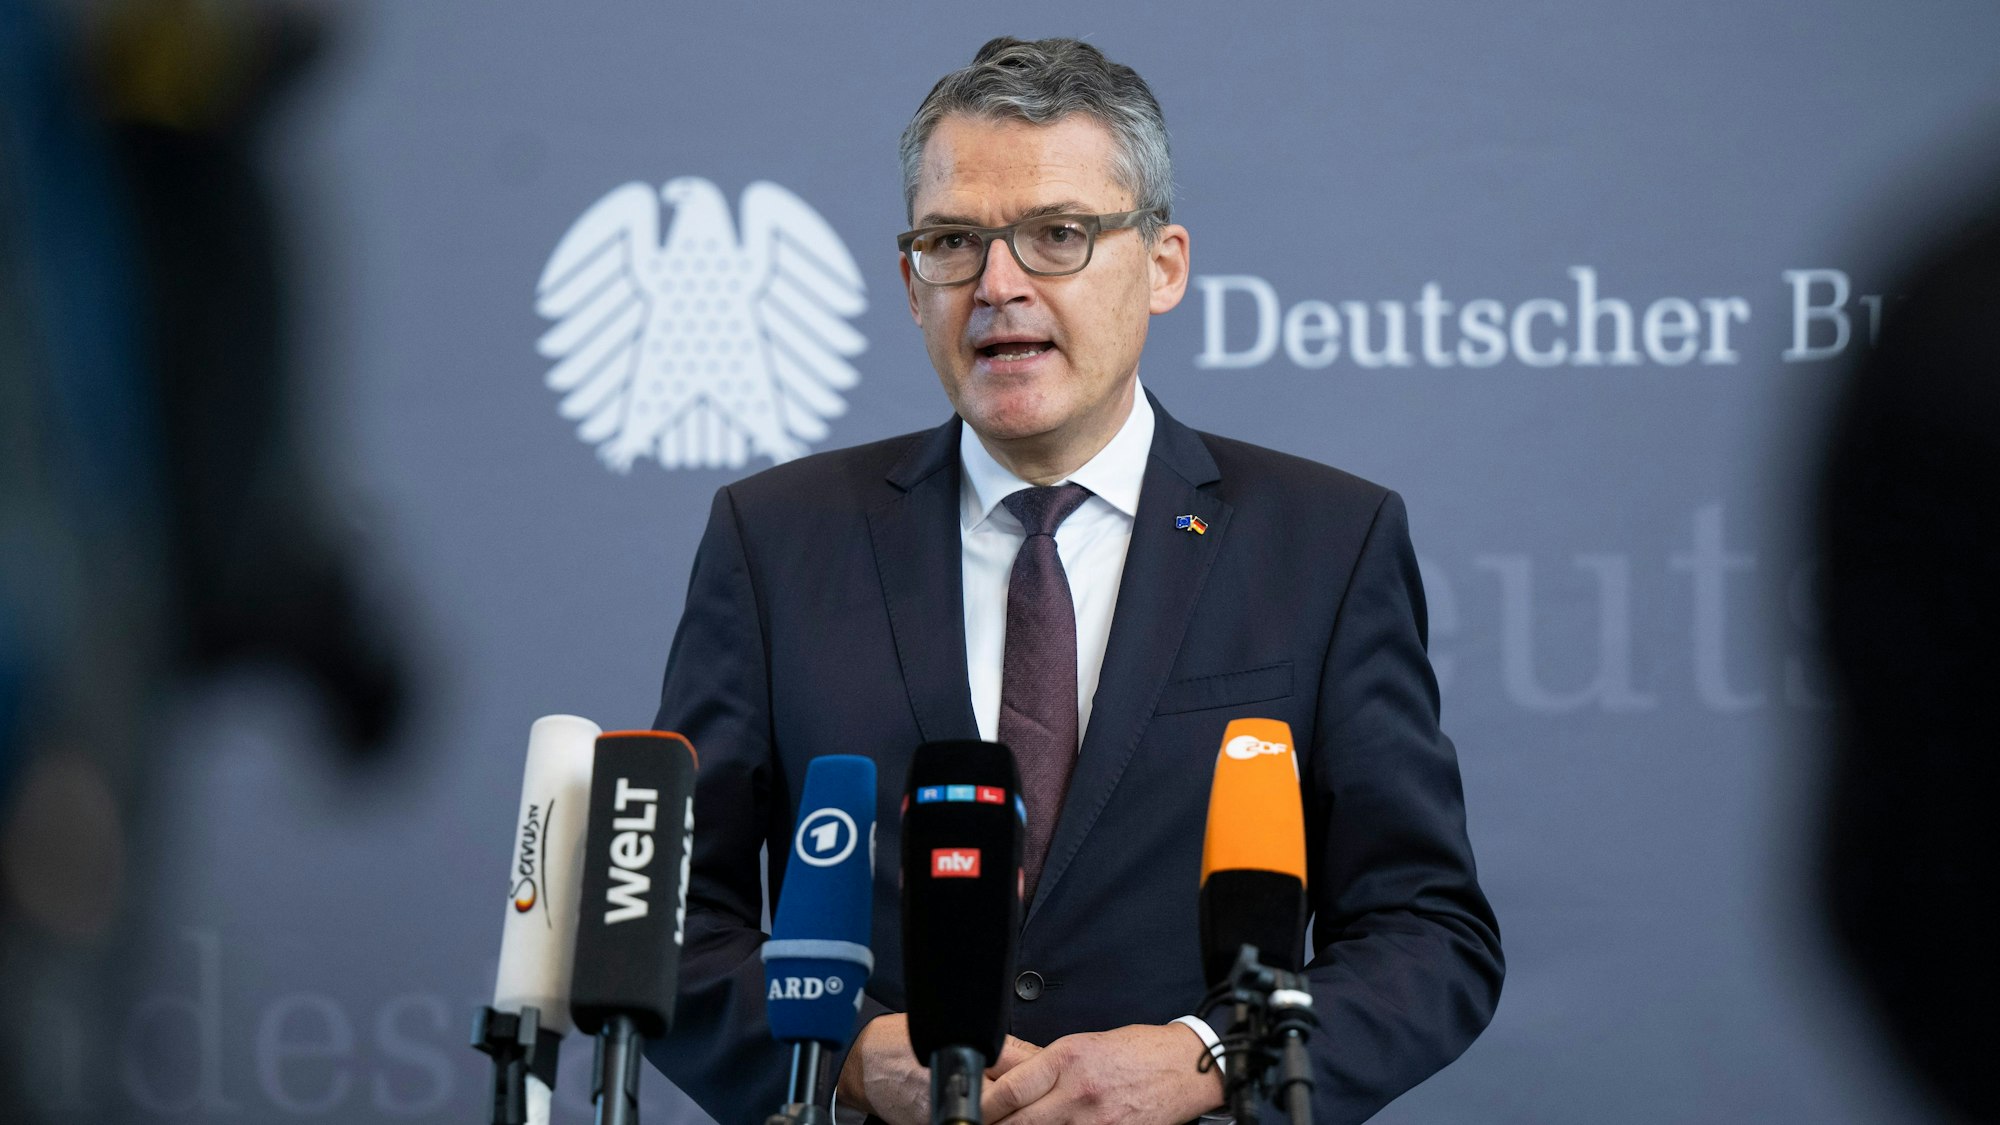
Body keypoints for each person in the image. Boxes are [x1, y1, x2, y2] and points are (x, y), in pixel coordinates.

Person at [646, 37, 1502, 1125]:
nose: (998, 285)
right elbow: (665, 923)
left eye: (1056, 235)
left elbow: (1427, 935)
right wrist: (854, 1055)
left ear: (1162, 265)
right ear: (911, 284)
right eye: (954, 242)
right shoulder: (774, 540)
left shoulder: (1323, 543)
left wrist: (1210, 1056)